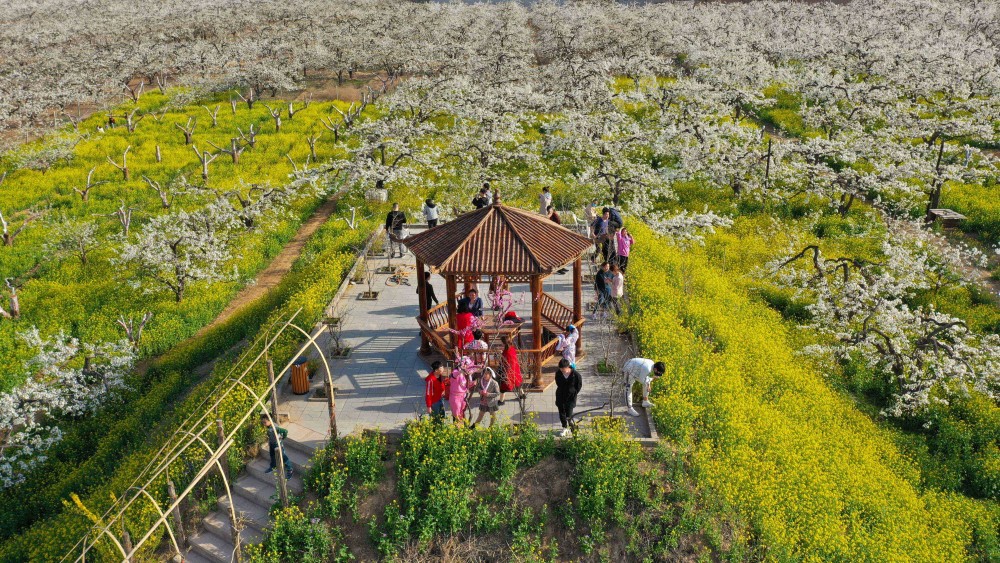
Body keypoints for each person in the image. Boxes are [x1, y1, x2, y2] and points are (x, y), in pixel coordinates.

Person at [554, 359, 582, 437]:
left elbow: (579, 385)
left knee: (569, 414)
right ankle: (564, 427)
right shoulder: (558, 373)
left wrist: (573, 392)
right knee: (561, 412)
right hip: (560, 395)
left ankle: (572, 427)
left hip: (570, 397)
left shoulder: (575, 375)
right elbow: (558, 383)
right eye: (561, 369)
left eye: (563, 369)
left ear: (567, 367)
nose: (562, 370)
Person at [260, 414, 293, 479]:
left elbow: (285, 431)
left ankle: (290, 469)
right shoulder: (269, 426)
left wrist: (283, 437)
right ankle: (273, 466)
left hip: (277, 444)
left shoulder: (275, 428)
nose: (264, 424)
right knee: (272, 455)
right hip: (272, 444)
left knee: (283, 457)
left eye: (265, 422)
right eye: (263, 422)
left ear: (270, 420)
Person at [498, 334, 522, 405]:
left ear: (503, 343)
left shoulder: (506, 352)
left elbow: (504, 362)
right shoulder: (512, 348)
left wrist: (500, 355)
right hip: (515, 369)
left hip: (508, 371)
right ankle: (522, 395)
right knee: (517, 383)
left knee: (503, 387)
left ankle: (501, 401)